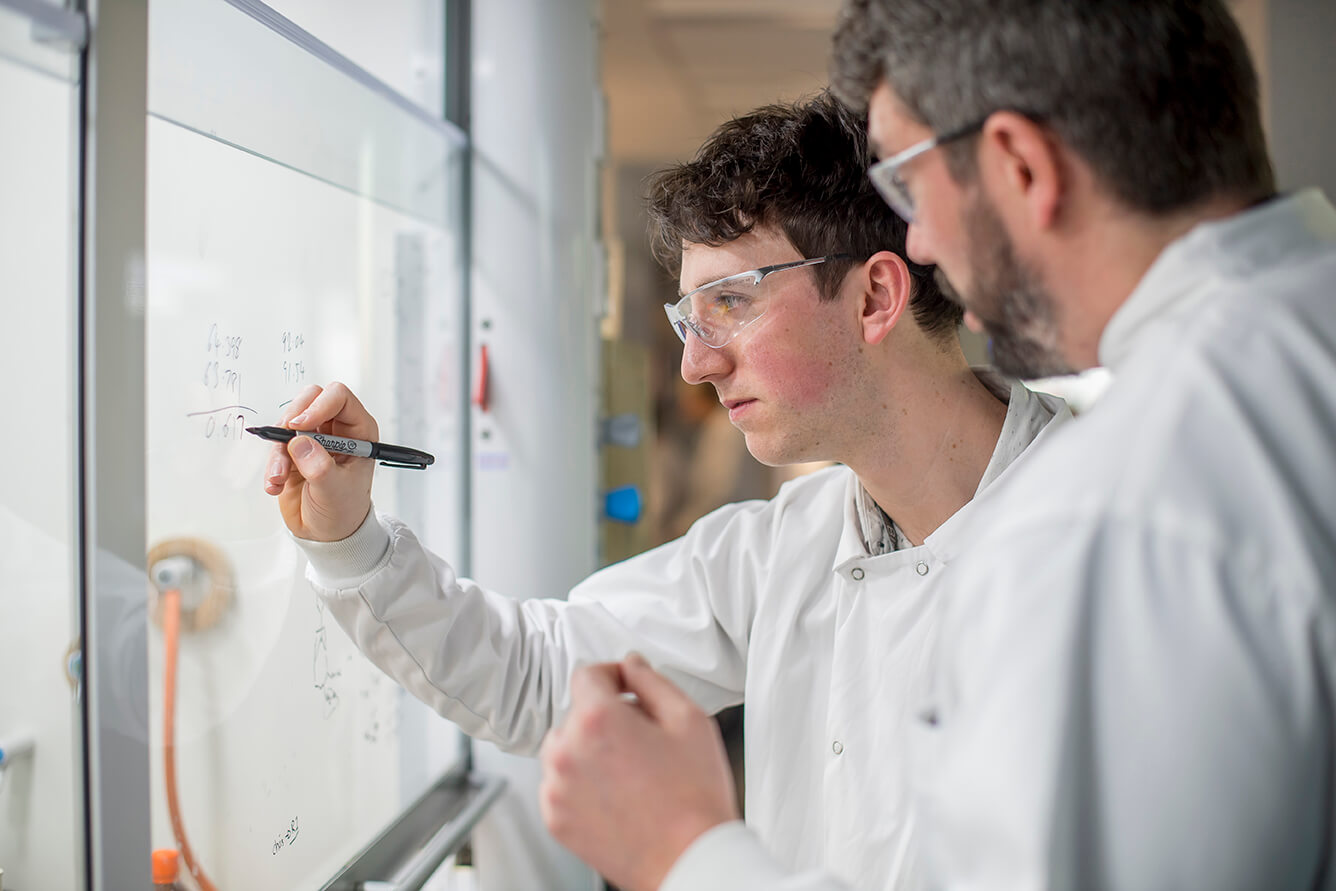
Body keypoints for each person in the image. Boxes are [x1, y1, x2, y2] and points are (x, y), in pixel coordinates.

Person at [539, 1, 1336, 889]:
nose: (917, 242)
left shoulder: (1123, 503)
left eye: (911, 187)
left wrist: (687, 852)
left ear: (1021, 165)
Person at [262, 92, 1069, 889]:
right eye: (691, 316)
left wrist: (690, 852)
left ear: (875, 297)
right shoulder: (789, 545)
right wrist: (349, 540)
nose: (696, 363)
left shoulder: (1099, 539)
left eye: (730, 303)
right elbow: (541, 674)